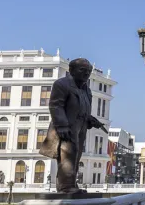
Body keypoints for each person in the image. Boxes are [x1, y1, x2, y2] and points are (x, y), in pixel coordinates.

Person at [38, 58, 106, 194]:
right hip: (67, 126)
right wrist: (62, 125)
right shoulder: (62, 84)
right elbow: (56, 105)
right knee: (67, 155)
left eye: (89, 71)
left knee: (76, 155)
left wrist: (91, 119)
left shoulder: (86, 89)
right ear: (72, 70)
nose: (86, 74)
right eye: (83, 70)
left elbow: (83, 109)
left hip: (81, 126)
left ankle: (71, 184)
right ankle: (65, 187)